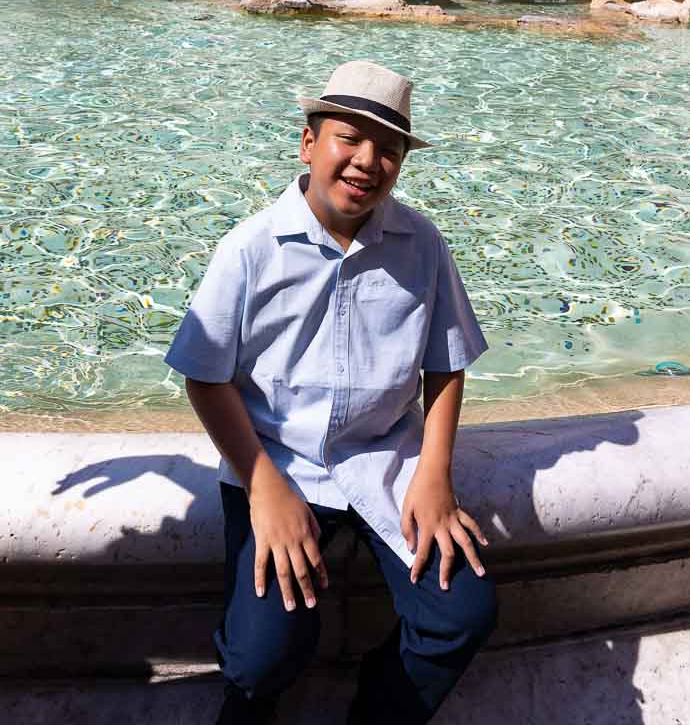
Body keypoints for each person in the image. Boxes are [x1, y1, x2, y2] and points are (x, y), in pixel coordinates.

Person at [165, 60, 497, 724]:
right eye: (349, 138)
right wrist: (262, 487)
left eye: (389, 150)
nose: (367, 161)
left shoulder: (423, 244)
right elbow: (204, 372)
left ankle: (379, 709)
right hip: (279, 464)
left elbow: (447, 363)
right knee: (264, 656)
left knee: (464, 612)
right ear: (308, 144)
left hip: (386, 462)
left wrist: (435, 475)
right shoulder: (250, 248)